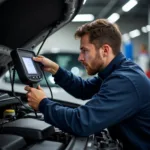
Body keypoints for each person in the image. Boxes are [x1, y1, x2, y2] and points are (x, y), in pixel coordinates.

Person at [24, 19, 150, 150]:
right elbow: (83, 89)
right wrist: (56, 70)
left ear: (105, 50)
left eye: (85, 50)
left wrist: (43, 104)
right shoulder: (115, 71)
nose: (80, 58)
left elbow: (82, 123)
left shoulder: (124, 81)